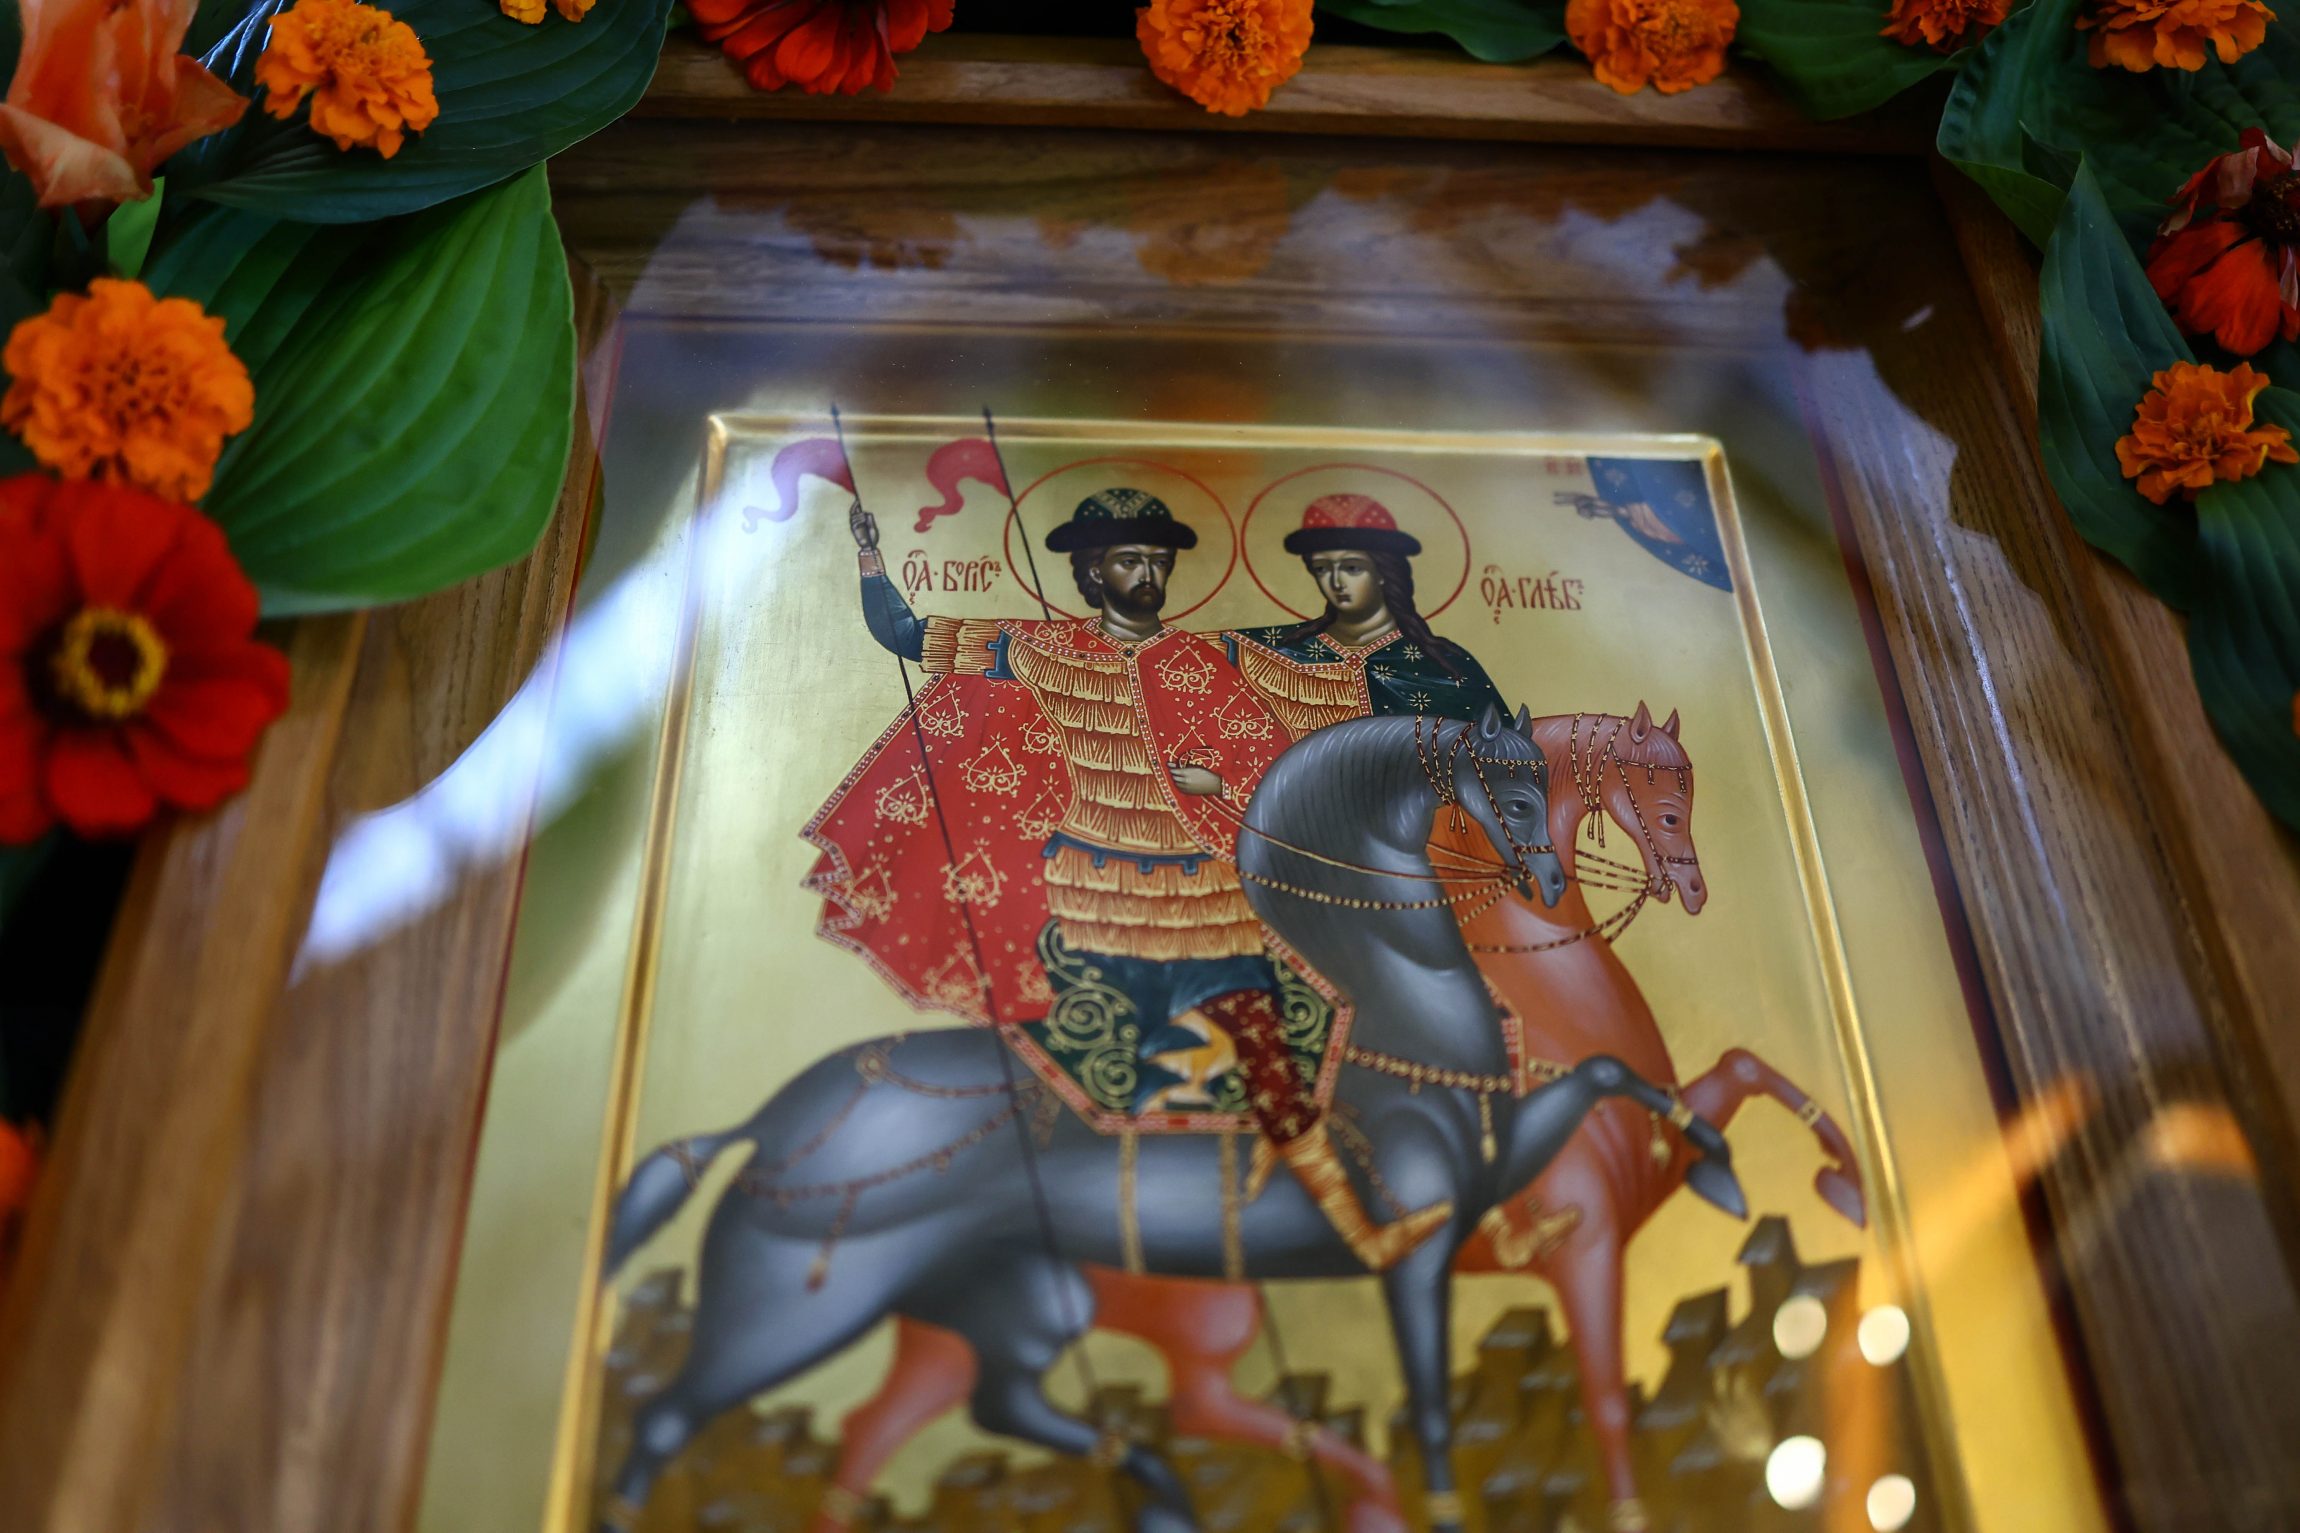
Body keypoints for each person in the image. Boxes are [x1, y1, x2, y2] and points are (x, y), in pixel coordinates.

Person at [827, 486, 1450, 1271]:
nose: (1148, 573)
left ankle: (1361, 1232)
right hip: (1093, 898)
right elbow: (906, 636)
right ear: (1094, 573)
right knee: (1063, 1069)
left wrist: (1218, 784)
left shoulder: (1203, 661)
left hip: (1205, 900)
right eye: (1130, 560)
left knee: (1279, 1051)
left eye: (1158, 560)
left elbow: (1271, 759)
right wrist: (870, 558)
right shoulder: (1039, 649)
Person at [1226, 492, 1509, 735]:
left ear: (1384, 572)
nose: (1336, 582)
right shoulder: (1275, 650)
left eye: (1352, 568)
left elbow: (1505, 753)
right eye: (1322, 568)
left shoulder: (1444, 666)